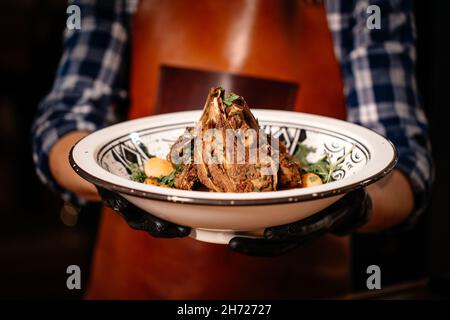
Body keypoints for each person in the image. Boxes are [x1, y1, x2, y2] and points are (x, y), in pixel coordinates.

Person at [32, 0, 433, 299]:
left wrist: (353, 206)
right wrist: (115, 183)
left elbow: (406, 171)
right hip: (133, 285)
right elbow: (62, 125)